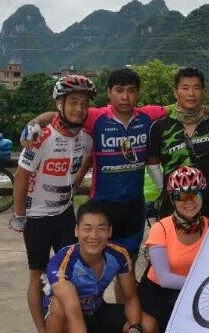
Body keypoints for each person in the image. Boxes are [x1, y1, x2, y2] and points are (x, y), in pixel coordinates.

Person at [23, 68, 167, 259]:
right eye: (119, 90)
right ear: (109, 92)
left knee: (128, 264)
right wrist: (34, 122)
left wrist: (208, 110)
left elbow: (180, 108)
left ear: (138, 93)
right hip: (101, 206)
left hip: (134, 207)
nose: (125, 97)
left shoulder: (148, 115)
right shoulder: (96, 117)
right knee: (95, 265)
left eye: (131, 91)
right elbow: (61, 114)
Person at [11, 75, 95, 333]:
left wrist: (75, 185)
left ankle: (67, 328)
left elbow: (87, 160)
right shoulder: (41, 137)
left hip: (64, 214)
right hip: (36, 217)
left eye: (84, 104)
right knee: (37, 276)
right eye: (73, 102)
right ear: (60, 103)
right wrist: (19, 215)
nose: (79, 109)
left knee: (67, 274)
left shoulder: (84, 138)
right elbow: (20, 176)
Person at [43, 201, 143, 333]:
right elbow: (72, 309)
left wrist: (135, 329)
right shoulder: (62, 262)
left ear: (110, 231)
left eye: (101, 229)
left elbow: (131, 297)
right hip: (65, 316)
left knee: (148, 327)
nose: (94, 236)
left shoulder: (119, 254)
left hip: (95, 309)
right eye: (87, 229)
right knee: (59, 305)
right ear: (76, 231)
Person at [138, 166, 209, 333]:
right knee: (150, 331)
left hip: (194, 292)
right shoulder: (160, 228)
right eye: (182, 196)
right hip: (160, 294)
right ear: (172, 199)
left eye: (195, 194)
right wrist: (205, 285)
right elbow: (164, 278)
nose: (189, 201)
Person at [146, 67, 209, 218]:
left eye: (196, 88)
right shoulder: (160, 126)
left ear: (203, 91)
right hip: (171, 206)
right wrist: (167, 188)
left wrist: (205, 184)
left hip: (205, 204)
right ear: (175, 92)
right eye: (185, 88)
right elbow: (152, 165)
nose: (191, 93)